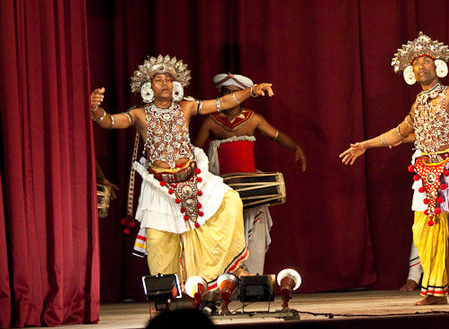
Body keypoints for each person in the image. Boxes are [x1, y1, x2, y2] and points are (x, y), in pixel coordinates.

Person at [89, 55, 274, 289]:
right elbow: (108, 122)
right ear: (148, 86)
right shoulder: (139, 114)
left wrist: (252, 91)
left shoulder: (186, 106)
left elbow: (223, 103)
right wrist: (96, 109)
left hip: (193, 180)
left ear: (176, 85)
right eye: (158, 79)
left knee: (231, 202)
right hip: (159, 186)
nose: (165, 83)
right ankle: (165, 294)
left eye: (169, 79)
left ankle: (219, 275)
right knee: (159, 242)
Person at [340, 32, 449, 305]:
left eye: (426, 62)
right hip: (427, 173)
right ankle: (434, 292)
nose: (420, 66)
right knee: (424, 231)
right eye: (416, 64)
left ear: (438, 67)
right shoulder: (418, 104)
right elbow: (399, 133)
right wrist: (365, 144)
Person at [194, 72, 308, 275]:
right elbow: (195, 150)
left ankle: (252, 276)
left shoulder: (252, 119)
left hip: (250, 186)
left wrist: (296, 148)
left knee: (253, 232)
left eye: (235, 92)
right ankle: (223, 280)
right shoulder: (211, 121)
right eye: (226, 93)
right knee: (223, 233)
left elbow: (277, 135)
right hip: (221, 190)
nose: (230, 97)